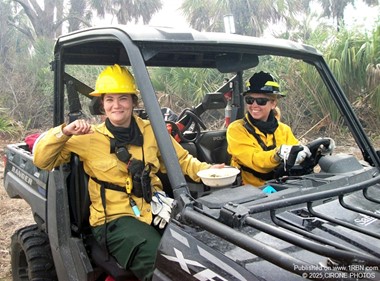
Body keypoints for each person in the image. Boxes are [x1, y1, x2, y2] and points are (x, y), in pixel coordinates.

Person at [33, 64, 224, 281]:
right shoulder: (87, 137)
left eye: (123, 98)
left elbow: (182, 160)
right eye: (109, 99)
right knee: (164, 265)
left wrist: (210, 170)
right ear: (102, 105)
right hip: (114, 220)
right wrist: (65, 131)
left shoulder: (153, 131)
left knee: (202, 252)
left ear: (133, 101)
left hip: (156, 209)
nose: (117, 105)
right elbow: (42, 159)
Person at [226, 71, 312, 187]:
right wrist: (278, 154)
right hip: (249, 193)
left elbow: (296, 152)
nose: (254, 105)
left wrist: (315, 153)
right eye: (250, 100)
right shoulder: (236, 129)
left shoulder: (284, 130)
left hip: (282, 188)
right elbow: (255, 160)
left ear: (273, 103)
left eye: (261, 101)